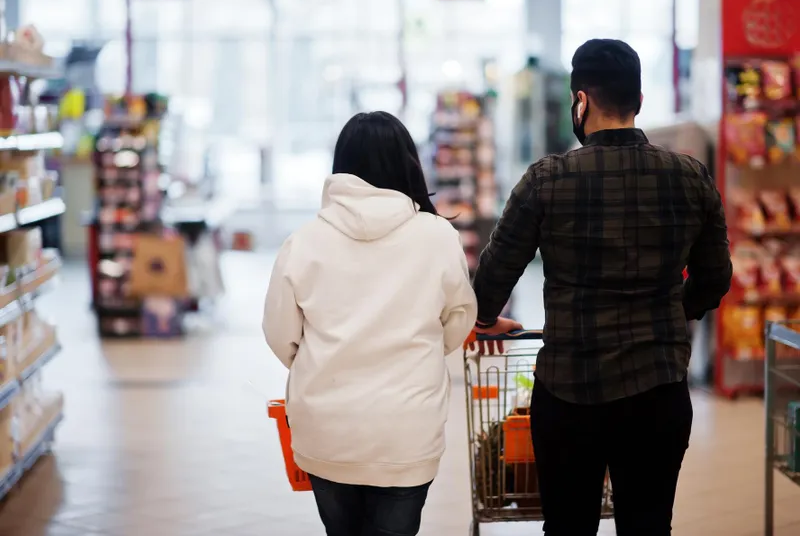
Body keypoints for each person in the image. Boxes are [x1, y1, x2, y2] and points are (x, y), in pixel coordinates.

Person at [472, 39, 732, 536]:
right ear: (637, 102)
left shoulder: (546, 180)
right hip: (658, 388)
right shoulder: (690, 178)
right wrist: (675, 314)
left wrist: (484, 320)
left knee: (568, 527)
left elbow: (493, 276)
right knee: (648, 524)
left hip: (571, 393)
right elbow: (716, 278)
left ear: (581, 100)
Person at [263, 111, 477, 536]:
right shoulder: (437, 237)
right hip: (407, 431)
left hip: (326, 428)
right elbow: (458, 319)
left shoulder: (304, 242)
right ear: (407, 163)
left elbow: (279, 334)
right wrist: (422, 351)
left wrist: (322, 366)